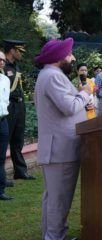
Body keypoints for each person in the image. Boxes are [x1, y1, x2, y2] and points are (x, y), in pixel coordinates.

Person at [34, 38, 92, 240]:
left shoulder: (52, 74)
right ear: (59, 57)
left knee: (54, 198)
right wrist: (85, 94)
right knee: (59, 199)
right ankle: (54, 237)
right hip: (61, 148)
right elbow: (69, 107)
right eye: (69, 54)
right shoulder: (52, 76)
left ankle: (53, 235)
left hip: (60, 148)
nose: (72, 58)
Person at [3, 39, 35, 180]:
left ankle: (20, 171)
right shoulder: (3, 66)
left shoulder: (16, 66)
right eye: (19, 51)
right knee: (4, 139)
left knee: (18, 139)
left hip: (19, 105)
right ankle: (1, 175)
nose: (21, 54)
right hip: (8, 105)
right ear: (12, 50)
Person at [0, 50, 14, 200]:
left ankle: (0, 190)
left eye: (3, 60)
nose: (2, 62)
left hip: (3, 121)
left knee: (1, 157)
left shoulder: (5, 79)